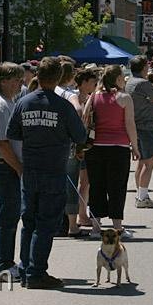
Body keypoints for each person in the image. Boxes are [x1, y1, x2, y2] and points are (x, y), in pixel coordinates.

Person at [7, 57, 87, 289]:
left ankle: (25, 268)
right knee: (45, 223)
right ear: (58, 78)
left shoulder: (25, 102)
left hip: (30, 169)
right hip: (52, 170)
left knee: (29, 221)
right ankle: (36, 272)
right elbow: (80, 136)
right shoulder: (63, 106)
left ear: (38, 76)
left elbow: (14, 132)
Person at [84, 65, 140, 240]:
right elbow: (130, 124)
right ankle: (117, 227)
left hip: (95, 148)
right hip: (118, 147)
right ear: (116, 79)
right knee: (117, 187)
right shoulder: (124, 98)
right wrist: (135, 146)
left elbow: (85, 118)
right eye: (122, 77)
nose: (124, 79)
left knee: (96, 186)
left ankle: (95, 227)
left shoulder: (93, 96)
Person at [0, 62, 26, 281]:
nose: (20, 83)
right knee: (7, 217)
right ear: (3, 80)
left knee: (9, 215)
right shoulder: (1, 105)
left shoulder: (9, 101)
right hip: (6, 166)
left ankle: (5, 262)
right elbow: (1, 142)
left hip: (7, 166)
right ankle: (2, 265)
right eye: (16, 79)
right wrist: (19, 168)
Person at [125, 55, 153, 208]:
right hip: (147, 126)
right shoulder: (143, 83)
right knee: (149, 162)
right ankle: (142, 197)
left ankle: (140, 194)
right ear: (143, 68)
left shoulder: (129, 82)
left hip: (137, 125)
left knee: (142, 162)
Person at [65, 68, 98, 237]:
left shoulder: (87, 97)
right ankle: (74, 219)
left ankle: (82, 213)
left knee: (85, 181)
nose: (94, 84)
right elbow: (78, 113)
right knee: (76, 180)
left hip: (84, 144)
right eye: (92, 82)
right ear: (83, 83)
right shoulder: (75, 96)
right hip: (76, 145)